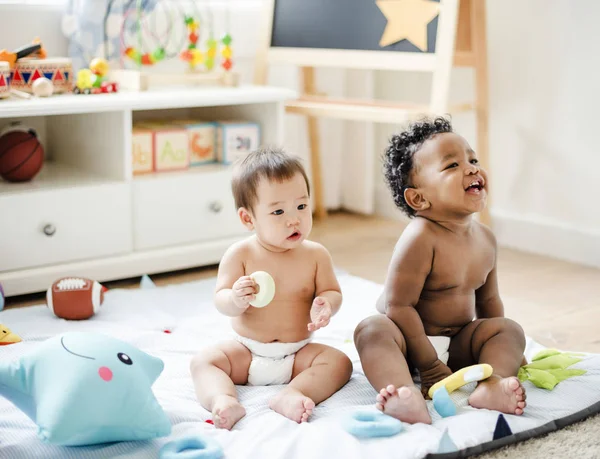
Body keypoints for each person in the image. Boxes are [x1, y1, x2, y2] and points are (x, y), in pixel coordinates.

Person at [354, 117, 527, 424]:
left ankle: (490, 385)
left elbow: (488, 304)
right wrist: (429, 364)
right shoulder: (420, 238)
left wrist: (500, 351)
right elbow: (398, 305)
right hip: (407, 342)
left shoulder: (485, 238)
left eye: (472, 159)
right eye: (452, 165)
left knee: (509, 329)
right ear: (419, 198)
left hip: (458, 341)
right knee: (371, 331)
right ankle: (403, 393)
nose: (472, 168)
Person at [190, 147, 353, 430]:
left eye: (301, 206)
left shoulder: (316, 255)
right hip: (247, 351)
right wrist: (236, 299)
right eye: (278, 211)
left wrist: (326, 304)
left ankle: (294, 393)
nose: (294, 219)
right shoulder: (240, 254)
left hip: (297, 353)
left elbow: (332, 292)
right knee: (204, 362)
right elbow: (221, 299)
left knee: (340, 363)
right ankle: (223, 399)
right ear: (248, 219)